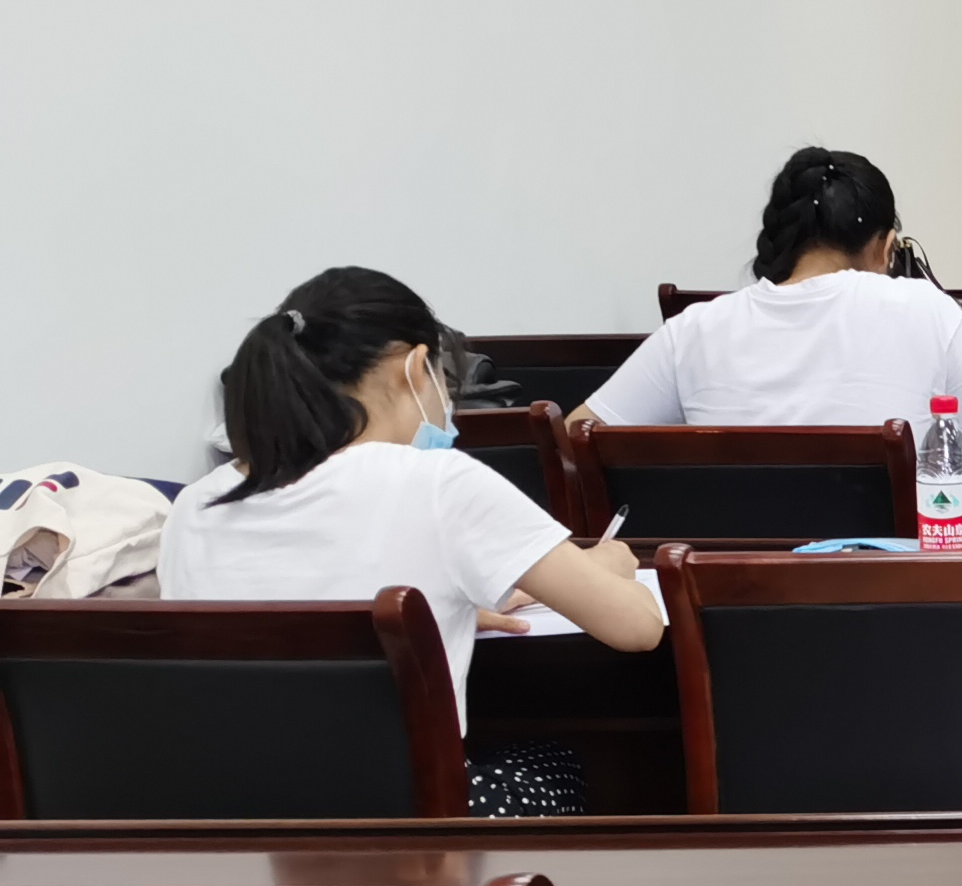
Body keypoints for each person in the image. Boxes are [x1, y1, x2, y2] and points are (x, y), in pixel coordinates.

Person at [160, 267, 665, 809]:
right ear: (415, 366)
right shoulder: (438, 482)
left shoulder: (195, 504)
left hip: (234, 820)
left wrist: (448, 611)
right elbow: (635, 629)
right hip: (407, 828)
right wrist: (611, 563)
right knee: (557, 760)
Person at [578, 147, 962, 451]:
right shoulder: (927, 309)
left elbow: (578, 435)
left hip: (726, 565)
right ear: (886, 248)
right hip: (894, 564)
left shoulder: (691, 331)